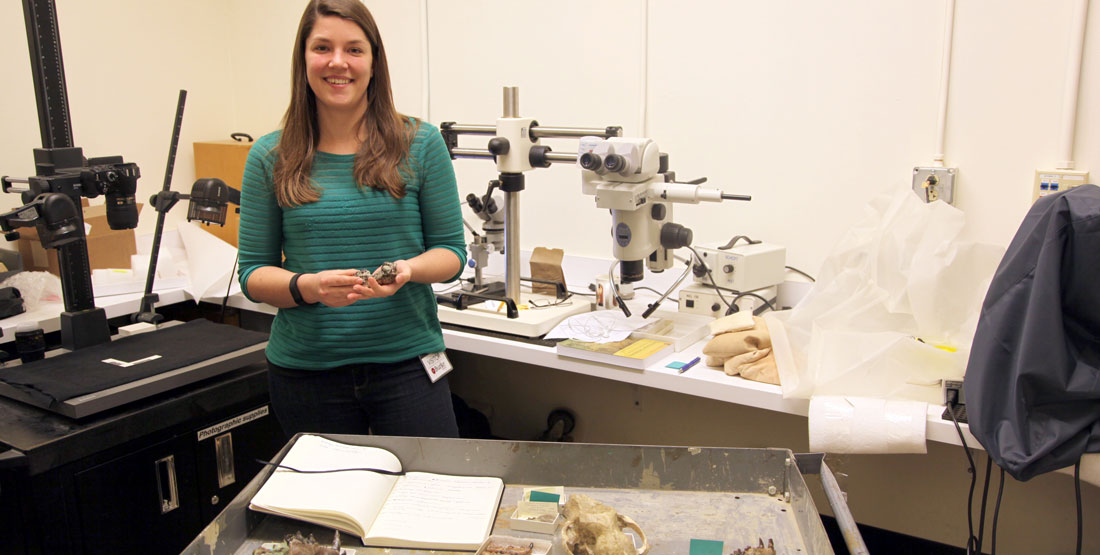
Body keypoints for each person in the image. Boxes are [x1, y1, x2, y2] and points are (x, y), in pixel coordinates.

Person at [237, 0, 466, 440]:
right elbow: (253, 273)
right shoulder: (270, 155)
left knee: (428, 496)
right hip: (307, 375)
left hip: (408, 368)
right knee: (323, 508)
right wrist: (311, 287)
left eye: (354, 50)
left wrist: (408, 270)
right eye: (322, 47)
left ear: (374, 61)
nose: (338, 63)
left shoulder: (420, 143)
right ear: (303, 57)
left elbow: (451, 253)